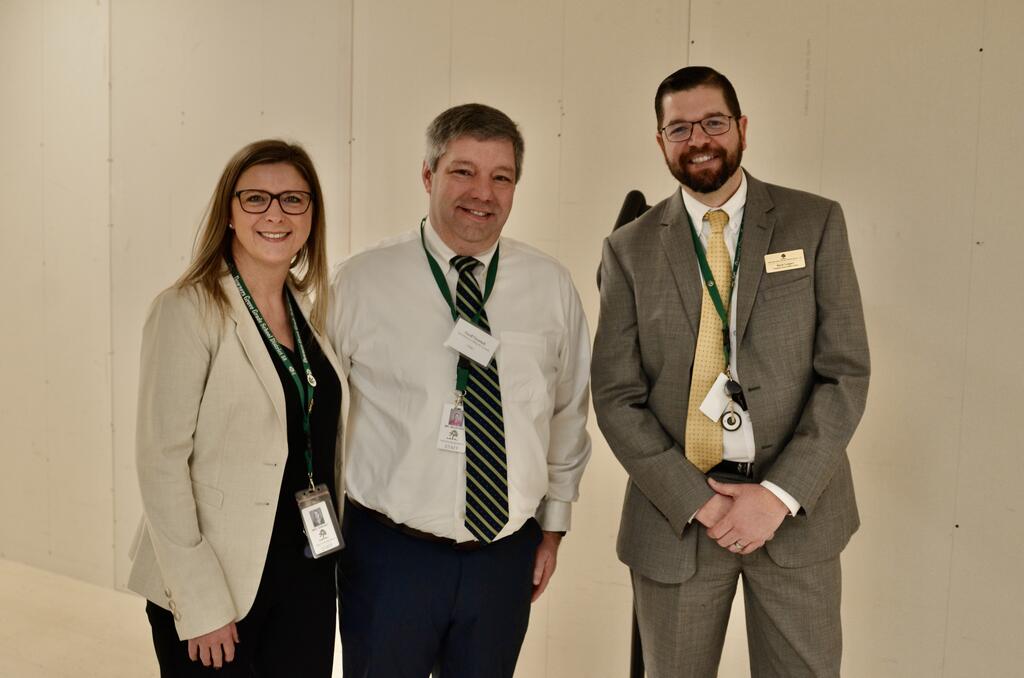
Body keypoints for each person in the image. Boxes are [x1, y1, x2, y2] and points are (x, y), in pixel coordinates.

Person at [591, 66, 870, 677]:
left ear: (742, 127)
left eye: (713, 122)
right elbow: (615, 396)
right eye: (679, 128)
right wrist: (700, 502)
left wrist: (777, 496)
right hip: (679, 521)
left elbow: (845, 373)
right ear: (660, 141)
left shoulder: (814, 223)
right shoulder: (628, 249)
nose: (699, 140)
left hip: (795, 517)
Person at [328, 103, 592, 678]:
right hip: (389, 555)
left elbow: (569, 412)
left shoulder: (550, 286)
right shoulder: (360, 282)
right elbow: (316, 414)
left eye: (502, 177)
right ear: (428, 175)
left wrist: (553, 528)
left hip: (504, 558)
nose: (483, 193)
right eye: (463, 171)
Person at [127, 139, 346, 676]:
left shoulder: (309, 311)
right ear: (229, 211)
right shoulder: (187, 309)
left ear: (312, 215)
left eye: (293, 199)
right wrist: (200, 603)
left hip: (306, 574)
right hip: (218, 585)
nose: (275, 213)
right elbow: (160, 464)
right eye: (255, 199)